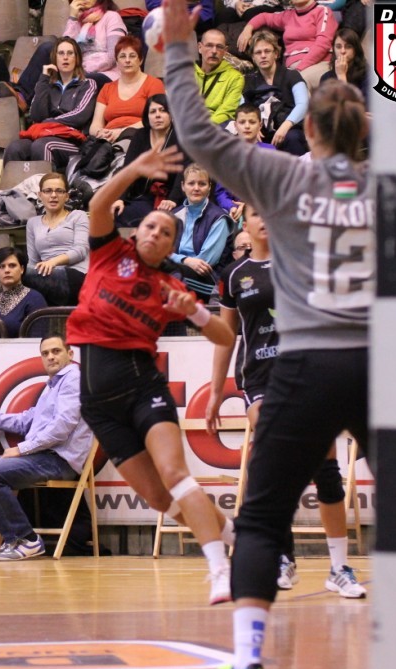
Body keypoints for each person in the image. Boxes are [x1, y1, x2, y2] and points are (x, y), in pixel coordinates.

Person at [162, 0, 372, 669]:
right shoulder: (394, 185)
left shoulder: (282, 177)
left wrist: (178, 45)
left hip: (306, 363)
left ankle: (247, 666)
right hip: (381, 364)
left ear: (306, 129)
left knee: (260, 516)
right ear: (365, 131)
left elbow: (196, 133)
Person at [65, 145, 237, 605]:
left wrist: (195, 313)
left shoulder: (172, 287)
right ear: (137, 230)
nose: (156, 232)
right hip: (98, 406)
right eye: (150, 226)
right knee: (161, 500)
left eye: (165, 232)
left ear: (171, 245)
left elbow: (224, 336)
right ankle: (236, 536)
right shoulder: (108, 252)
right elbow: (99, 204)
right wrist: (133, 170)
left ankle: (220, 569)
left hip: (143, 389)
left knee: (176, 473)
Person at [205, 203, 366, 599]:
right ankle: (283, 557)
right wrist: (215, 391)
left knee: (326, 469)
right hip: (261, 380)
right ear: (245, 223)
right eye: (255, 214)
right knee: (276, 462)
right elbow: (225, 337)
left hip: (309, 374)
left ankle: (339, 568)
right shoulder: (235, 275)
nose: (264, 219)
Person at [0, 334, 94, 559]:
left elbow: (62, 427)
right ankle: (10, 538)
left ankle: (26, 539)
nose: (50, 357)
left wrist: (22, 449)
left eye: (56, 351)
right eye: (45, 353)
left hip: (58, 459)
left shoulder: (73, 380)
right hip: (42, 456)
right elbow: (24, 421)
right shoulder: (53, 385)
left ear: (69, 354)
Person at [2, 2, 122, 110]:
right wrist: (73, 18)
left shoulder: (111, 17)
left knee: (86, 79)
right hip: (76, 69)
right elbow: (64, 47)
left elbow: (114, 56)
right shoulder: (78, 20)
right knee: (47, 48)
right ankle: (22, 95)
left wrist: (80, 69)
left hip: (104, 73)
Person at [2, 37, 98, 169]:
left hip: (73, 141)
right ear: (55, 58)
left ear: (77, 58)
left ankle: (47, 183)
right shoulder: (47, 85)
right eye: (61, 53)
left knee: (43, 145)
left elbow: (79, 115)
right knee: (14, 148)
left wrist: (50, 122)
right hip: (45, 134)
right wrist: (43, 79)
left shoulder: (87, 84)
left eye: (70, 53)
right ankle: (14, 183)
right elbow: (36, 115)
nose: (65, 57)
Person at [112, 94, 185, 227]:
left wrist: (173, 199)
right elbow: (128, 170)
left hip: (168, 198)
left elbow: (183, 173)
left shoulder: (181, 138)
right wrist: (120, 198)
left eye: (163, 111)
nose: (158, 115)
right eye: (153, 112)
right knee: (115, 213)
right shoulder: (140, 135)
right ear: (147, 116)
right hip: (140, 196)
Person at [169, 163, 234, 299]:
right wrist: (185, 260)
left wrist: (177, 260)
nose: (196, 188)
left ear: (209, 187)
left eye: (202, 184)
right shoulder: (174, 215)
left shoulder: (219, 218)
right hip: (179, 270)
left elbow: (205, 262)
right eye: (191, 183)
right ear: (183, 186)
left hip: (208, 280)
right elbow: (161, 253)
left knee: (169, 277)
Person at [237, 0, 334, 89]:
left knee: (298, 82)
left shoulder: (322, 11)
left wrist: (298, 69)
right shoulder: (288, 15)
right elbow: (264, 17)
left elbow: (323, 44)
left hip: (318, 63)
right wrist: (248, 29)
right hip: (292, 67)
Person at [24, 172, 88, 307]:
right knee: (13, 274)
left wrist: (53, 262)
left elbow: (80, 251)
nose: (53, 195)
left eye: (59, 191)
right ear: (40, 195)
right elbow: (33, 261)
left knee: (17, 274)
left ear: (67, 196)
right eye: (48, 191)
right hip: (46, 276)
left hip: (76, 276)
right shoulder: (32, 223)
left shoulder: (78, 216)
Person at [240, 30, 308, 155]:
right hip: (261, 130)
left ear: (276, 54)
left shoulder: (292, 75)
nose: (263, 56)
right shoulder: (249, 80)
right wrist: (252, 127)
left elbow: (303, 104)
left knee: (293, 138)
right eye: (258, 52)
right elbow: (243, 109)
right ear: (253, 57)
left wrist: (285, 126)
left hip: (290, 128)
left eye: (267, 51)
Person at [87, 36, 164, 142]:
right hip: (107, 139)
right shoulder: (107, 88)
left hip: (139, 137)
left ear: (140, 60)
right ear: (117, 62)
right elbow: (95, 125)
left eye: (132, 56)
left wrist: (122, 131)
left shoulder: (154, 84)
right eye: (122, 56)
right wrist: (100, 132)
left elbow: (156, 118)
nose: (127, 60)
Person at [0, 246, 47, 338]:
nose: (7, 270)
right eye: (1, 266)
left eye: (12, 265)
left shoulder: (35, 299)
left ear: (22, 269)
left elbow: (38, 339)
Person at [193, 28, 243, 126]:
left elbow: (227, 112)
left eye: (219, 47)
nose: (214, 51)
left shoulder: (235, 77)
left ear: (225, 51)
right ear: (199, 47)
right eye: (209, 45)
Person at [319, 27, 367, 96]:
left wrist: (341, 75)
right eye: (338, 47)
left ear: (356, 49)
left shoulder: (368, 75)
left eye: (348, 47)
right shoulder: (326, 78)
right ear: (333, 49)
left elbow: (357, 102)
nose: (343, 51)